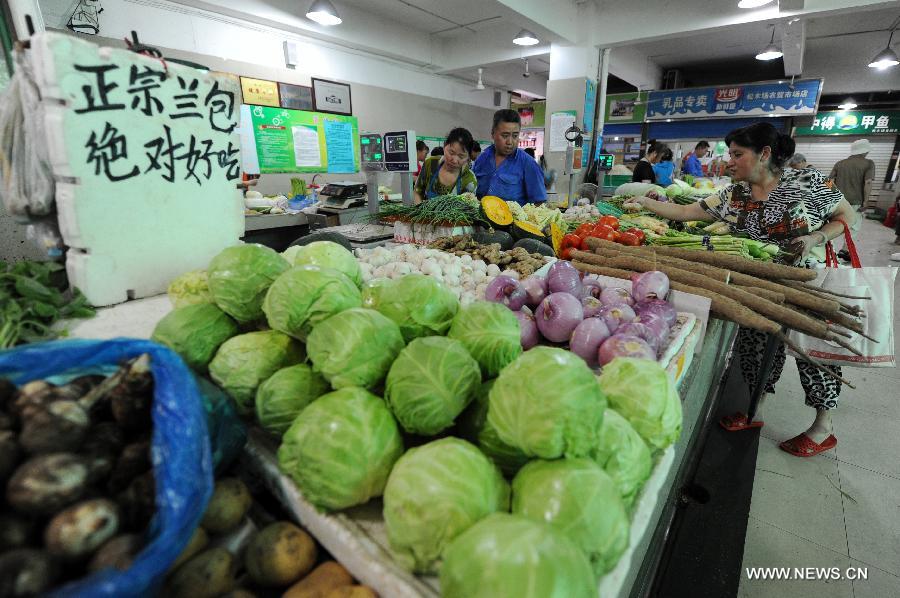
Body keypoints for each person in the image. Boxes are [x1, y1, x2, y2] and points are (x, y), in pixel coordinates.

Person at [628, 122, 857, 458]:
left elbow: (849, 217)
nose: (729, 162)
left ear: (764, 154)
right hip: (759, 285)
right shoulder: (734, 194)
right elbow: (683, 211)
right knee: (757, 345)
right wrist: (644, 203)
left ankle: (823, 427)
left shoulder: (806, 181)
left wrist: (815, 237)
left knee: (812, 348)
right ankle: (755, 409)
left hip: (807, 281)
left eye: (737, 154)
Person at [472, 109, 547, 205]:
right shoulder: (481, 159)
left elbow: (539, 202)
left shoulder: (528, 164)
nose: (510, 142)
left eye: (515, 136)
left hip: (514, 219)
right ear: (493, 134)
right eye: (505, 135)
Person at [413, 127, 477, 204]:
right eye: (451, 152)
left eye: (461, 156)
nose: (454, 160)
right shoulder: (431, 164)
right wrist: (421, 212)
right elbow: (417, 192)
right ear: (444, 146)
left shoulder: (469, 180)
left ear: (468, 158)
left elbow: (466, 210)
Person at [829, 139, 875, 212]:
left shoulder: (839, 163)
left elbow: (828, 182)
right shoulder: (869, 163)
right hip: (856, 203)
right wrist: (866, 201)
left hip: (838, 202)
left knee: (839, 222)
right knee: (853, 223)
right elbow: (868, 182)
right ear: (865, 151)